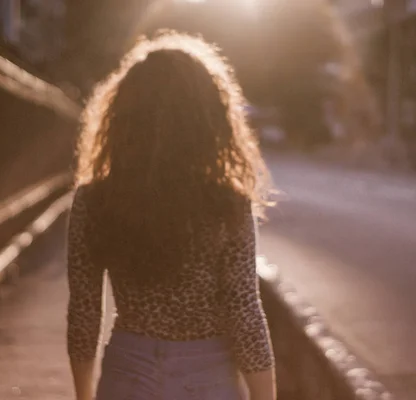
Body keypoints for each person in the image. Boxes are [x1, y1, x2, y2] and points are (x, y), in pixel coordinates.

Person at [66, 31, 276, 400]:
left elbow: (84, 311)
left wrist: (84, 394)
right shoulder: (226, 204)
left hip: (127, 370)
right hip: (208, 375)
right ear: (209, 120)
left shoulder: (95, 200)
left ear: (123, 117)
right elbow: (244, 309)